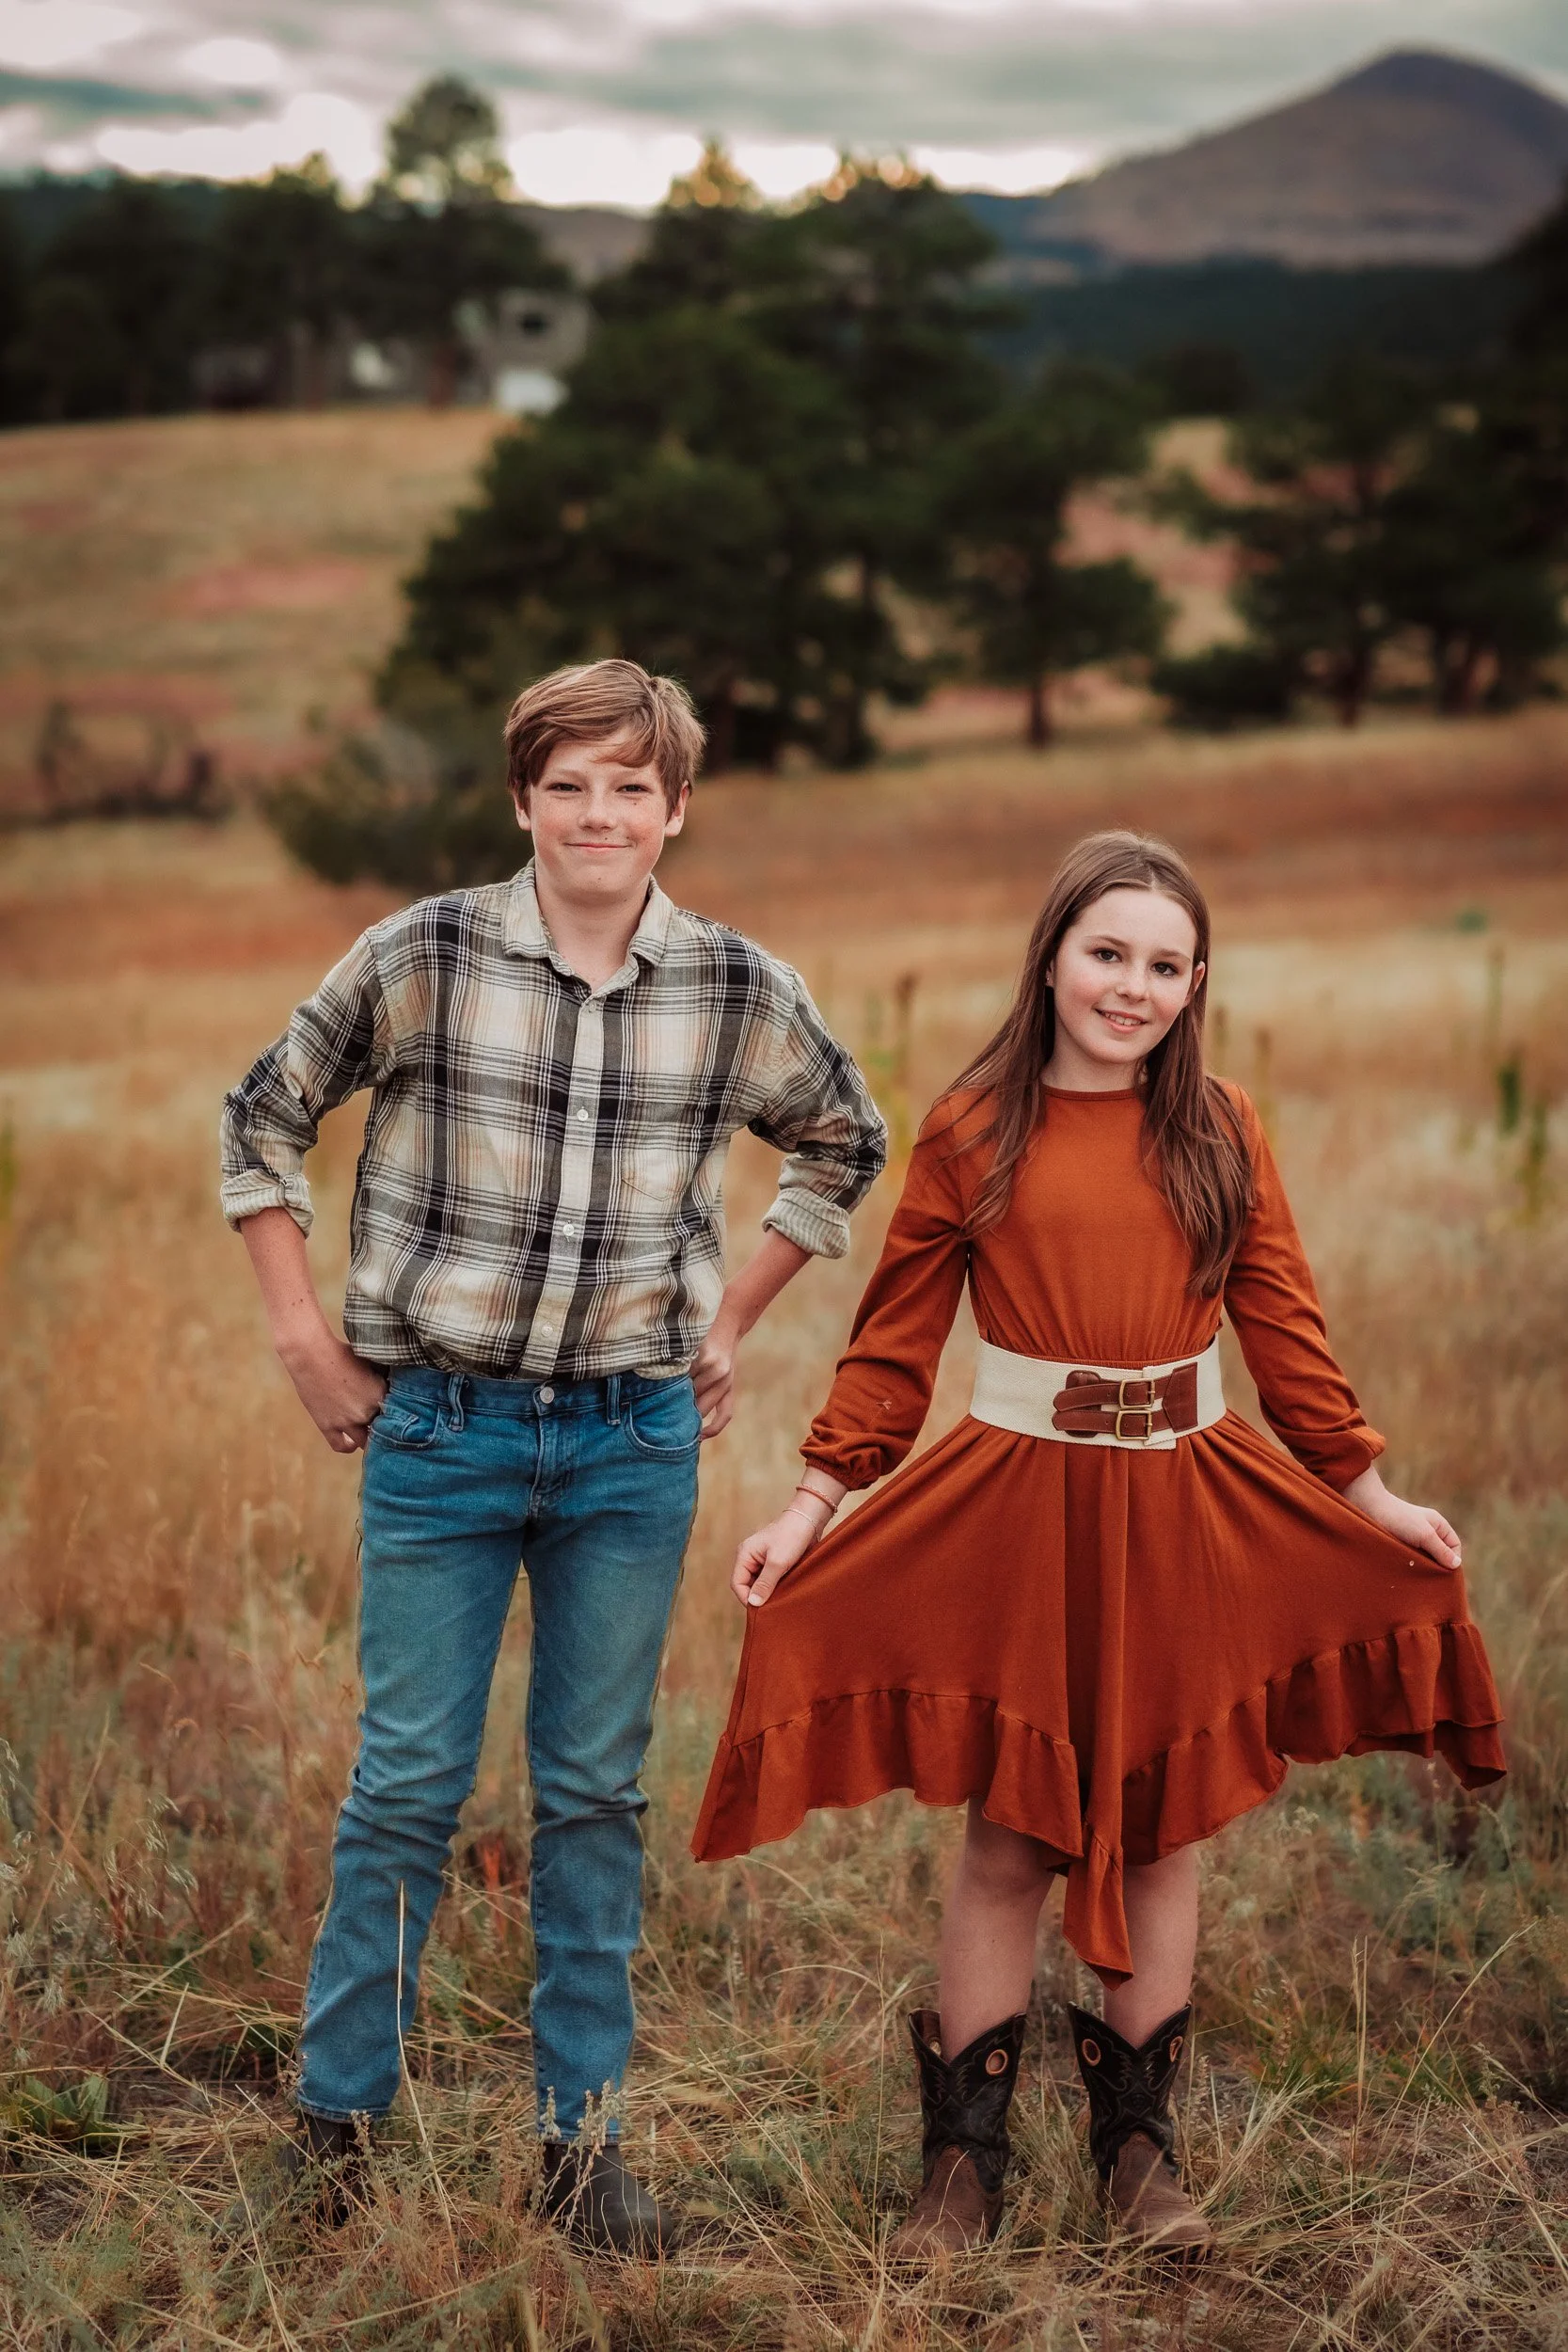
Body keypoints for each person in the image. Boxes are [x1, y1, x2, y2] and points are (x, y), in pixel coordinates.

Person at [693, 829, 1503, 2262]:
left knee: (1162, 1826)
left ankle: (1136, 2152)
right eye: (1106, 953)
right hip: (1021, 1508)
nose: (1130, 986)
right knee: (1011, 1836)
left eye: (1164, 965)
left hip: (1184, 1503)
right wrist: (815, 1503)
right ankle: (963, 2165)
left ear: (1196, 988)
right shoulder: (972, 1127)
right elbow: (891, 1351)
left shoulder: (1218, 1128)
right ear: (1053, 955)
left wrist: (1366, 1497)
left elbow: (1284, 1332)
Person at [220, 660, 886, 2253]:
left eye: (632, 789)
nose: (602, 815)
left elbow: (843, 1138)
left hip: (629, 1440)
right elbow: (261, 1118)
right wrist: (305, 1336)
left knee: (591, 1791)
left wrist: (727, 1316)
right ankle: (337, 2128)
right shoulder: (427, 952)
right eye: (571, 785)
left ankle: (582, 2152)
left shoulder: (731, 987)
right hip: (439, 1429)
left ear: (675, 809)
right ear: (522, 798)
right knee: (406, 1783)